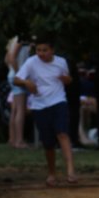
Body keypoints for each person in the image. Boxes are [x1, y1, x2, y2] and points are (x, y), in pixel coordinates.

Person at [13, 38, 77, 186]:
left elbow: (68, 80)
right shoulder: (31, 62)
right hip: (39, 105)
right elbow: (16, 80)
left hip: (58, 101)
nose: (41, 53)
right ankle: (52, 173)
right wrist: (26, 82)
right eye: (38, 50)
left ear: (52, 50)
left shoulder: (61, 62)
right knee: (48, 143)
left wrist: (66, 79)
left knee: (62, 133)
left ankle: (70, 170)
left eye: (44, 50)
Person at [5, 36, 32, 148]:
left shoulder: (13, 40)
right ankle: (19, 140)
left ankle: (12, 139)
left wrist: (12, 71)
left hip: (12, 75)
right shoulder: (22, 40)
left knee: (15, 109)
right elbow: (11, 58)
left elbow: (7, 58)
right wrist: (19, 74)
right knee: (21, 109)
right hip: (18, 76)